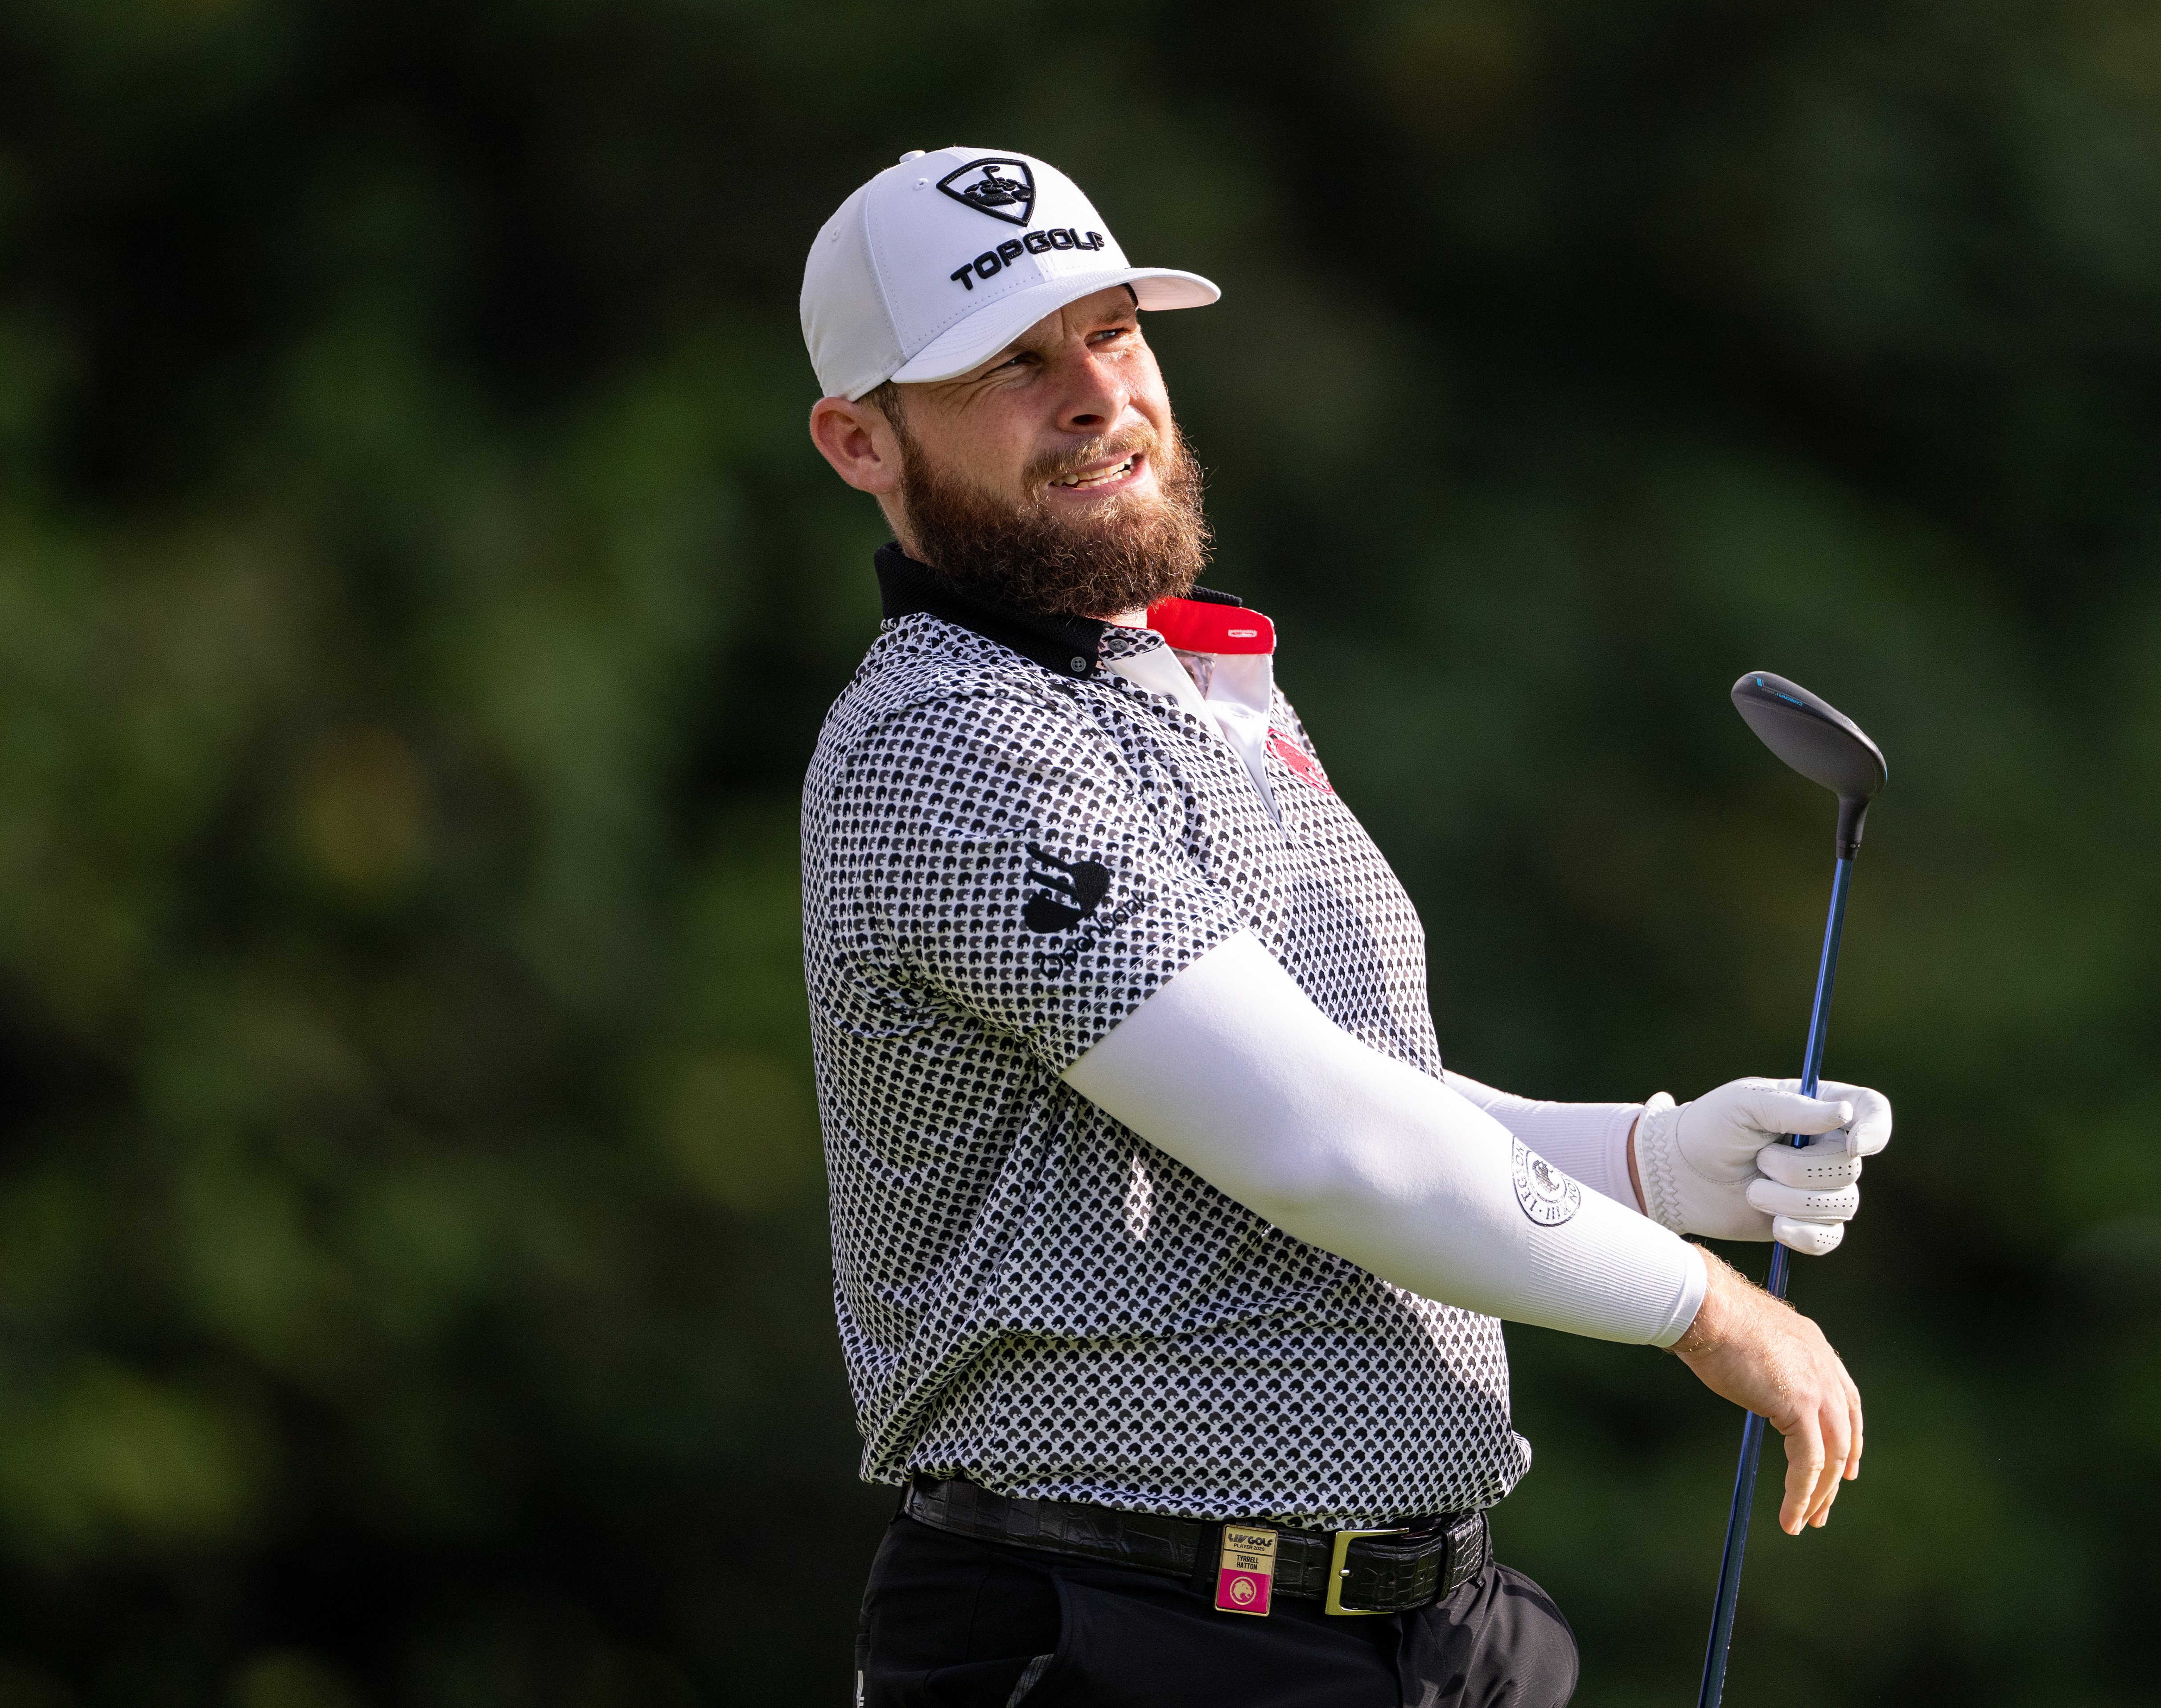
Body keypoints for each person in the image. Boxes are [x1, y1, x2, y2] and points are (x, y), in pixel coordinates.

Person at [799, 148, 1894, 1707]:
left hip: (1428, 1626)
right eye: (1009, 365)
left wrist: (1653, 1160)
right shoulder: (947, 743)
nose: (1098, 393)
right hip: (1126, 1633)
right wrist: (1692, 1302)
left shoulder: (1170, 690)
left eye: (1112, 332)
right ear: (862, 441)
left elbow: (1330, 1079)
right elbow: (1315, 1142)